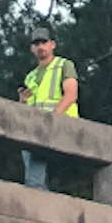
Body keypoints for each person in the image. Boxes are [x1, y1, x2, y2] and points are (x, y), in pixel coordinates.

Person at [16, 25, 79, 190]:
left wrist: (53, 117)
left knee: (34, 151)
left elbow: (71, 95)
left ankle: (36, 193)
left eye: (44, 42)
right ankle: (37, 192)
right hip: (38, 128)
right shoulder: (30, 76)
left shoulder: (64, 65)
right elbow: (29, 109)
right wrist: (23, 101)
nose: (40, 47)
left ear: (52, 44)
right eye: (36, 44)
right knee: (28, 150)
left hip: (62, 123)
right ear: (32, 48)